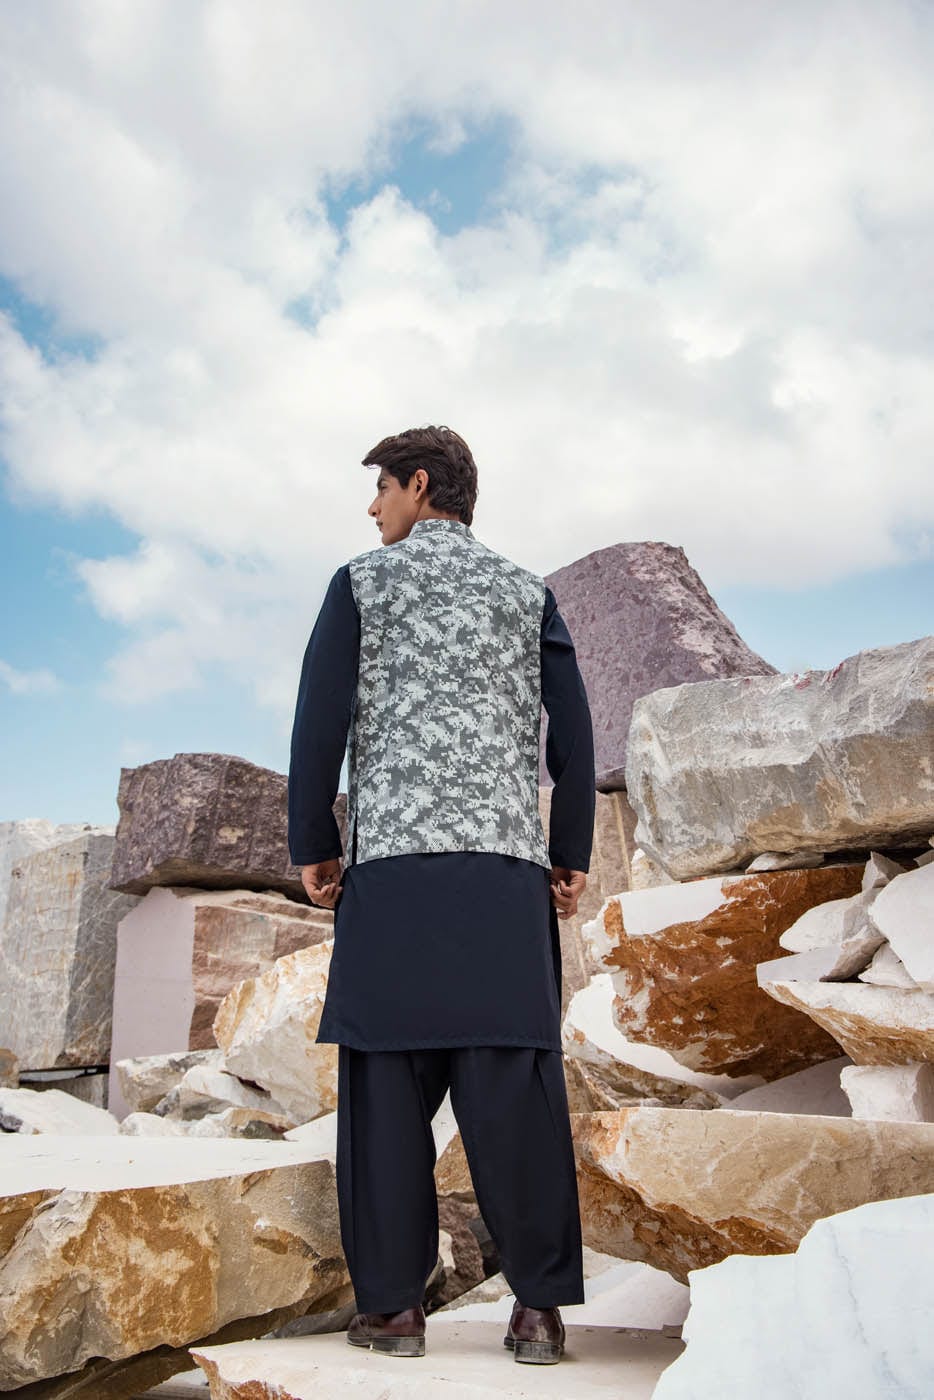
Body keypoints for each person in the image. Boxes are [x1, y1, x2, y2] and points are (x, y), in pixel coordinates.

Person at [287, 425, 596, 1365]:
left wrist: (315, 844)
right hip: (503, 880)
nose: (372, 507)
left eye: (381, 488)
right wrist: (568, 851)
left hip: (393, 878)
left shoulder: (360, 584)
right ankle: (538, 1313)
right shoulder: (526, 592)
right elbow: (574, 732)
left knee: (385, 1091)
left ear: (419, 485)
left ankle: (392, 1312)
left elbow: (318, 720)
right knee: (515, 1092)